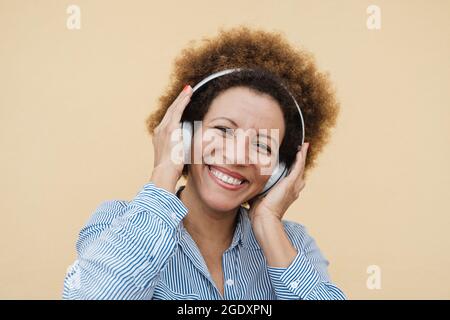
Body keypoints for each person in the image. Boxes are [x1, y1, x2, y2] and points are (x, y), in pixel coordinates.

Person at [62, 26, 346, 300]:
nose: (237, 155)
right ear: (185, 134)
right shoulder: (115, 222)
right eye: (223, 130)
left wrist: (269, 225)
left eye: (262, 144)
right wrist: (163, 173)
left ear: (280, 171)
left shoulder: (293, 244)